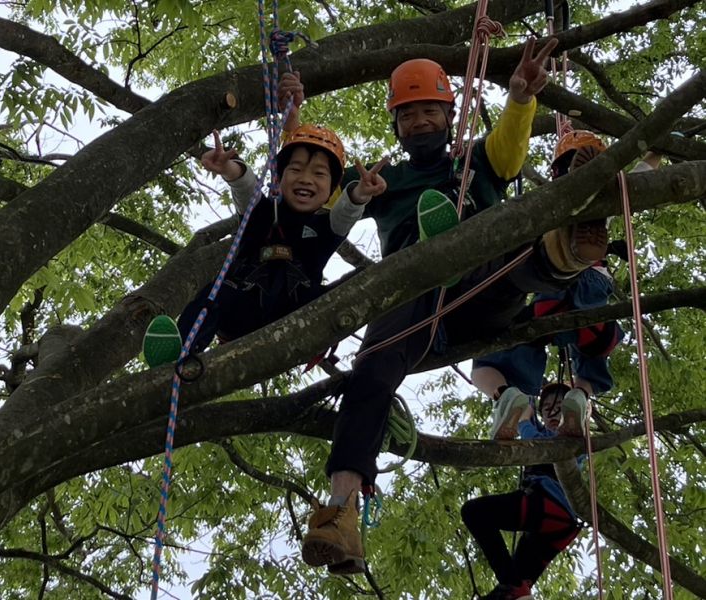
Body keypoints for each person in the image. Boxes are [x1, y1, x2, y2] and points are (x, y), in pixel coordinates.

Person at [276, 38, 618, 576]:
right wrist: (292, 122)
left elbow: (507, 149)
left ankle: (565, 249)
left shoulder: (475, 160)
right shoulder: (382, 180)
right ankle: (339, 514)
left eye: (428, 111)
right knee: (372, 369)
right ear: (396, 125)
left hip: (480, 291)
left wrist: (522, 99)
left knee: (509, 242)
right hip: (413, 300)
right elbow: (309, 185)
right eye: (407, 115)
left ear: (448, 114)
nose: (418, 122)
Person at [143, 125, 388, 366]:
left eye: (319, 174)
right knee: (214, 293)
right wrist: (230, 168)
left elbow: (346, 212)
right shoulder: (262, 213)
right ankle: (179, 353)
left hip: (302, 315)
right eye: (296, 169)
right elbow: (246, 189)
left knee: (365, 278)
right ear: (279, 179)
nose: (306, 179)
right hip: (243, 311)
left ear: (332, 190)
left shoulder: (326, 226)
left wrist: (360, 193)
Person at [475, 138, 662, 440]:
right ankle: (580, 395)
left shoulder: (542, 207)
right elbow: (640, 174)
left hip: (551, 292)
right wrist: (658, 149)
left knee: (488, 361)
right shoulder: (611, 200)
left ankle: (507, 394)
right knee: (592, 362)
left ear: (555, 173)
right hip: (594, 295)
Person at [461, 383, 584, 600]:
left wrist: (525, 422)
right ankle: (516, 592)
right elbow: (524, 410)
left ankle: (515, 589)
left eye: (559, 408)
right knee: (510, 589)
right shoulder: (541, 430)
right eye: (546, 408)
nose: (552, 412)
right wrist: (520, 407)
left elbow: (540, 446)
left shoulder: (574, 438)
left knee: (474, 512)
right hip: (555, 523)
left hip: (549, 506)